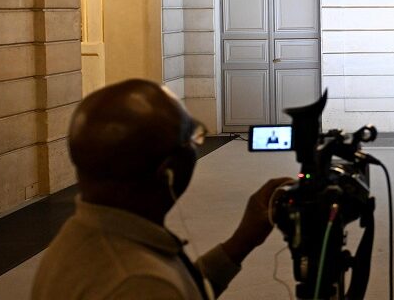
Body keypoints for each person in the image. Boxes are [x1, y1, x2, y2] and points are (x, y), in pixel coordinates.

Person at [32, 79, 292, 299]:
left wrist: (241, 242)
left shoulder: (81, 239)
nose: (197, 145)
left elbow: (183, 289)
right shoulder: (137, 283)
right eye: (193, 137)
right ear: (168, 171)